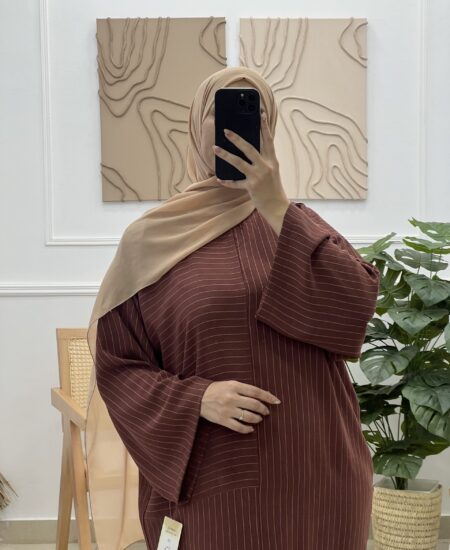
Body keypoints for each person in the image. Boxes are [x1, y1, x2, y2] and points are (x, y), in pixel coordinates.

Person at [84, 65, 381, 550]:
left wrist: (276, 204)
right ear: (195, 124)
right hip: (215, 483)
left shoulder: (294, 223)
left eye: (255, 113)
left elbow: (354, 309)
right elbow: (119, 367)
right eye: (221, 110)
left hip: (321, 474)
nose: (239, 125)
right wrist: (195, 399)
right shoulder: (150, 241)